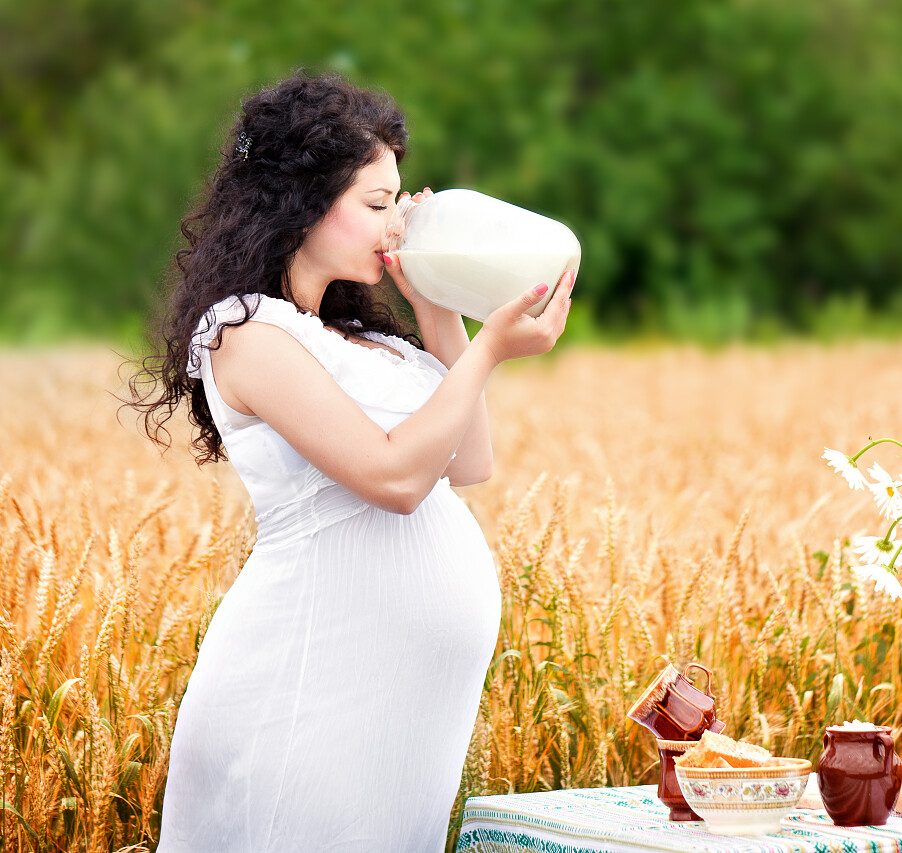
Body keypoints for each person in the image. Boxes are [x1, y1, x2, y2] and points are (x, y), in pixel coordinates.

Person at [128, 71, 573, 852]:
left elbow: (467, 460)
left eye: (398, 201)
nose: (394, 222)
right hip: (309, 695)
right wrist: (495, 347)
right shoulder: (247, 334)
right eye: (376, 202)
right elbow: (396, 478)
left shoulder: (364, 339)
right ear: (302, 201)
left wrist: (439, 308)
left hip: (399, 719)